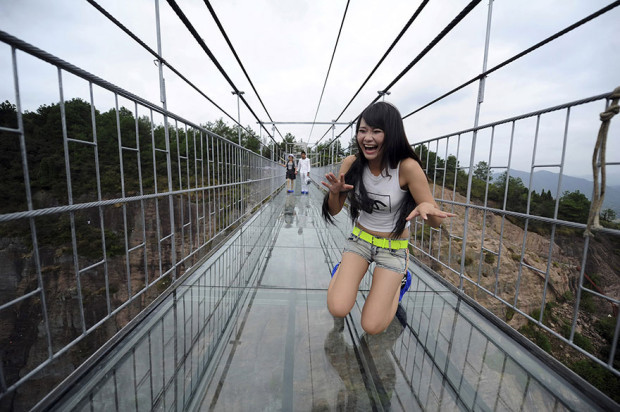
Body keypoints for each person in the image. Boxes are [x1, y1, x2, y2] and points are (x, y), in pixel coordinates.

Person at [321, 101, 455, 335]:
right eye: (362, 131)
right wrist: (334, 193)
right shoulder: (352, 163)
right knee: (338, 308)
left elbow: (436, 222)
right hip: (359, 241)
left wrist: (426, 205)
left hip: (393, 248)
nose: (367, 138)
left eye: (376, 131)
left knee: (371, 326)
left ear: (391, 134)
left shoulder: (407, 167)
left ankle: (400, 282)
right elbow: (334, 210)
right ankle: (342, 271)